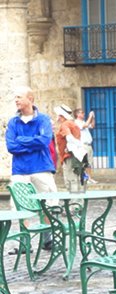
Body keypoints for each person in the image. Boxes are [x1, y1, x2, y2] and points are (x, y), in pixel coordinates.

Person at [5, 86, 56, 253]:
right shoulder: (13, 122)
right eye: (15, 97)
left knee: (48, 203)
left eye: (19, 97)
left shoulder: (43, 120)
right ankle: (24, 242)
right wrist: (31, 142)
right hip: (20, 169)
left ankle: (47, 239)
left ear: (30, 99)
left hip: (41, 167)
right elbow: (11, 146)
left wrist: (22, 141)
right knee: (19, 206)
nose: (16, 100)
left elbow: (44, 141)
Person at [54, 104, 87, 193]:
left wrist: (76, 146)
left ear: (61, 116)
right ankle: (78, 203)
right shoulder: (73, 124)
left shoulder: (65, 124)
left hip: (69, 156)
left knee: (71, 179)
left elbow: (69, 137)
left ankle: (74, 204)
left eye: (58, 115)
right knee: (77, 178)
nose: (57, 117)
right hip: (76, 155)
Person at [73, 108, 97, 184]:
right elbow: (85, 125)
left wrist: (93, 117)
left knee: (89, 163)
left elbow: (92, 126)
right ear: (77, 114)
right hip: (83, 145)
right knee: (85, 163)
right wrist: (90, 116)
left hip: (88, 145)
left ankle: (89, 178)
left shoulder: (83, 121)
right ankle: (85, 178)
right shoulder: (76, 122)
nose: (83, 114)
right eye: (81, 112)